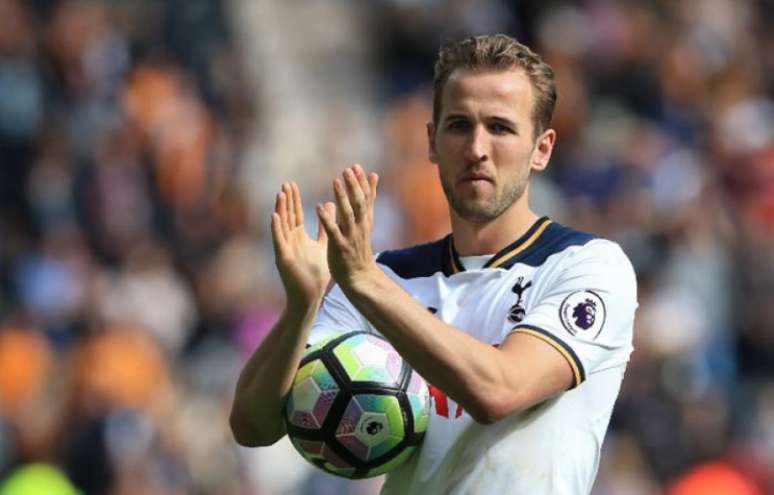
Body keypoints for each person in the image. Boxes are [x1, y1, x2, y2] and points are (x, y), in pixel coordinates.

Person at [230, 34, 637, 494]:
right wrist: (301, 308)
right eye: (460, 125)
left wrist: (364, 281)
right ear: (432, 141)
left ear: (541, 148)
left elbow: (499, 391)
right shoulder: (383, 276)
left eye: (500, 128)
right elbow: (254, 428)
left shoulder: (588, 267)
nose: (477, 148)